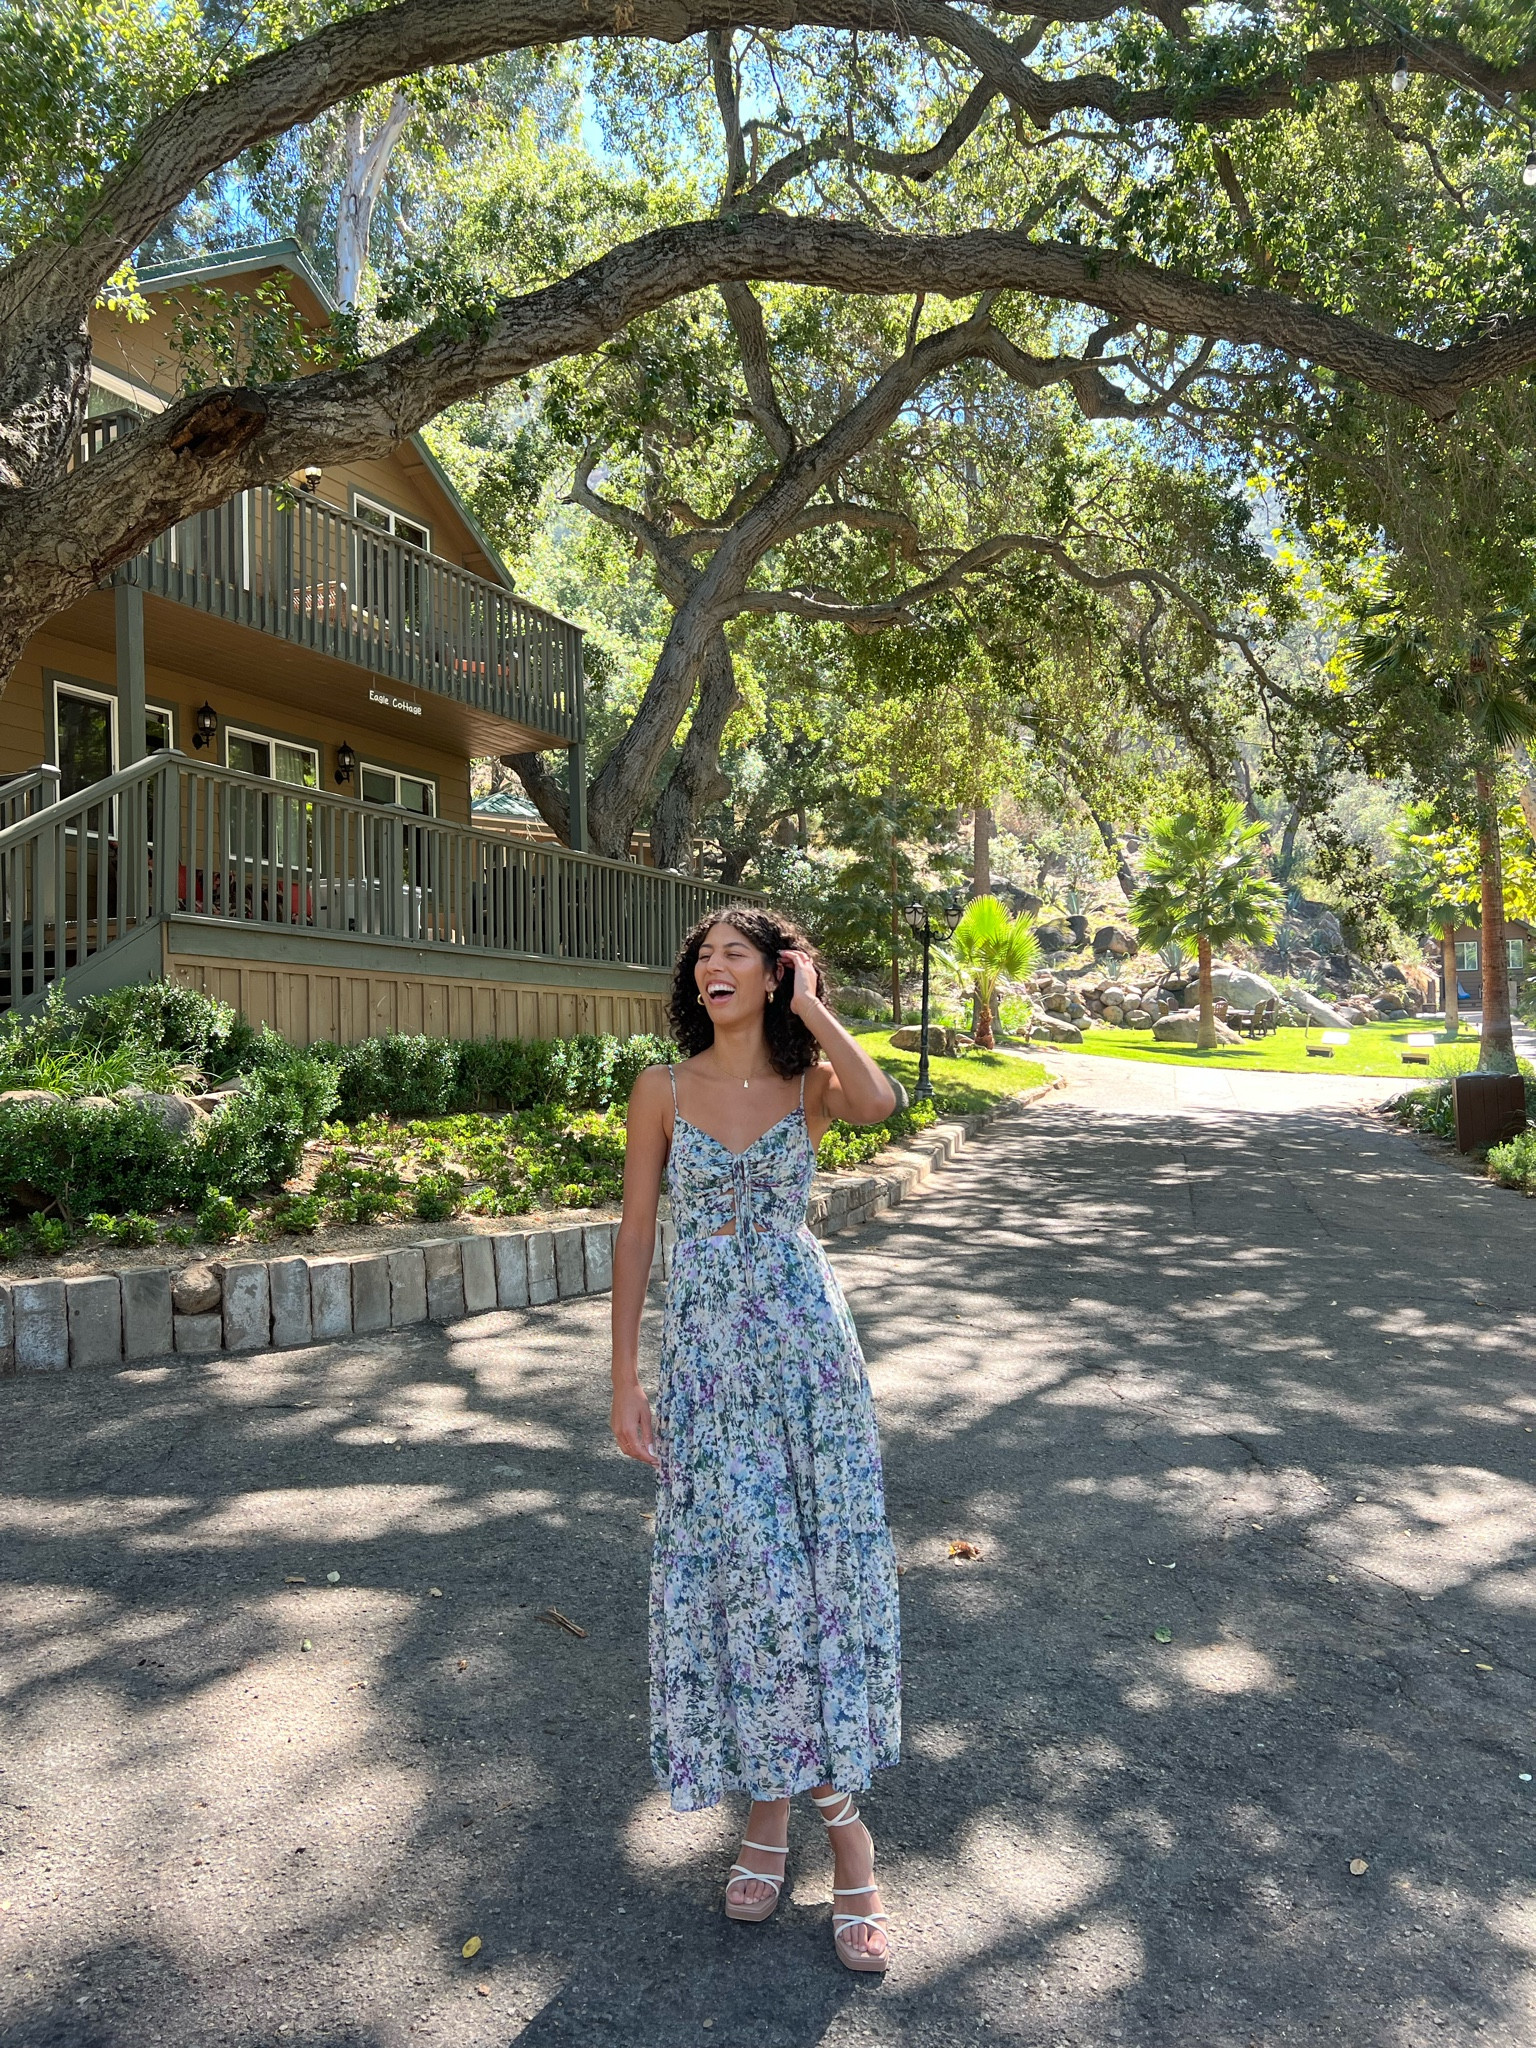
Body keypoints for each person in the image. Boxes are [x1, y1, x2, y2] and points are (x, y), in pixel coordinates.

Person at [610, 905, 903, 1972]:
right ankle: (815, 1820)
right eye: (704, 955)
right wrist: (623, 1375)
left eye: (739, 953)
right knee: (748, 1582)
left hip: (809, 1361)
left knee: (812, 1578)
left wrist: (815, 1004)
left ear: (774, 972)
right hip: (707, 1362)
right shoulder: (663, 1086)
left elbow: (879, 1099)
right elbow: (639, 1229)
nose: (715, 966)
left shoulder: (808, 1085)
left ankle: (799, 1821)